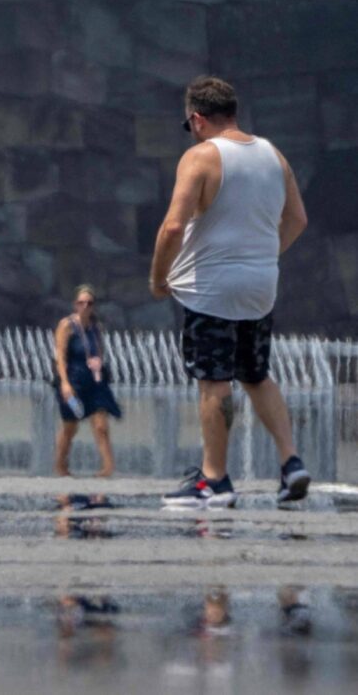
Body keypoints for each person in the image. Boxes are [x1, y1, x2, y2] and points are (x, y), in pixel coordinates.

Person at [150, 75, 311, 508]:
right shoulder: (273, 155)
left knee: (214, 379)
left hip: (212, 288)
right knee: (256, 374)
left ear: (197, 118)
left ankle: (214, 479)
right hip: (261, 285)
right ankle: (291, 462)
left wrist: (158, 278)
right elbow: (298, 219)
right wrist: (262, 255)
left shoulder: (201, 157)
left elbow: (173, 226)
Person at [52, 284, 120, 477]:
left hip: (94, 381)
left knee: (101, 425)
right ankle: (60, 465)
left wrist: (98, 365)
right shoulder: (67, 325)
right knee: (70, 426)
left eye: (89, 303)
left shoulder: (96, 328)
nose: (85, 306)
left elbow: (99, 351)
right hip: (73, 379)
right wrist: (65, 383)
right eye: (81, 303)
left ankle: (107, 468)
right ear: (75, 304)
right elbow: (60, 356)